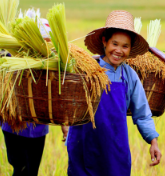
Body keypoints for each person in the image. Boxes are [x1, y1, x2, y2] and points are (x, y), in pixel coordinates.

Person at [66, 10, 162, 176]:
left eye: (125, 46)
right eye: (114, 44)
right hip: (84, 146)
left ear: (131, 48)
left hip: (114, 149)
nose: (119, 50)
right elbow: (68, 101)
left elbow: (142, 113)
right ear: (105, 42)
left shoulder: (129, 76)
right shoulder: (87, 69)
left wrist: (153, 141)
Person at [0, 18, 68, 176]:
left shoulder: (51, 67)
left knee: (32, 170)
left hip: (38, 128)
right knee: (20, 167)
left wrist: (64, 125)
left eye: (47, 44)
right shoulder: (10, 60)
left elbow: (59, 96)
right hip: (13, 126)